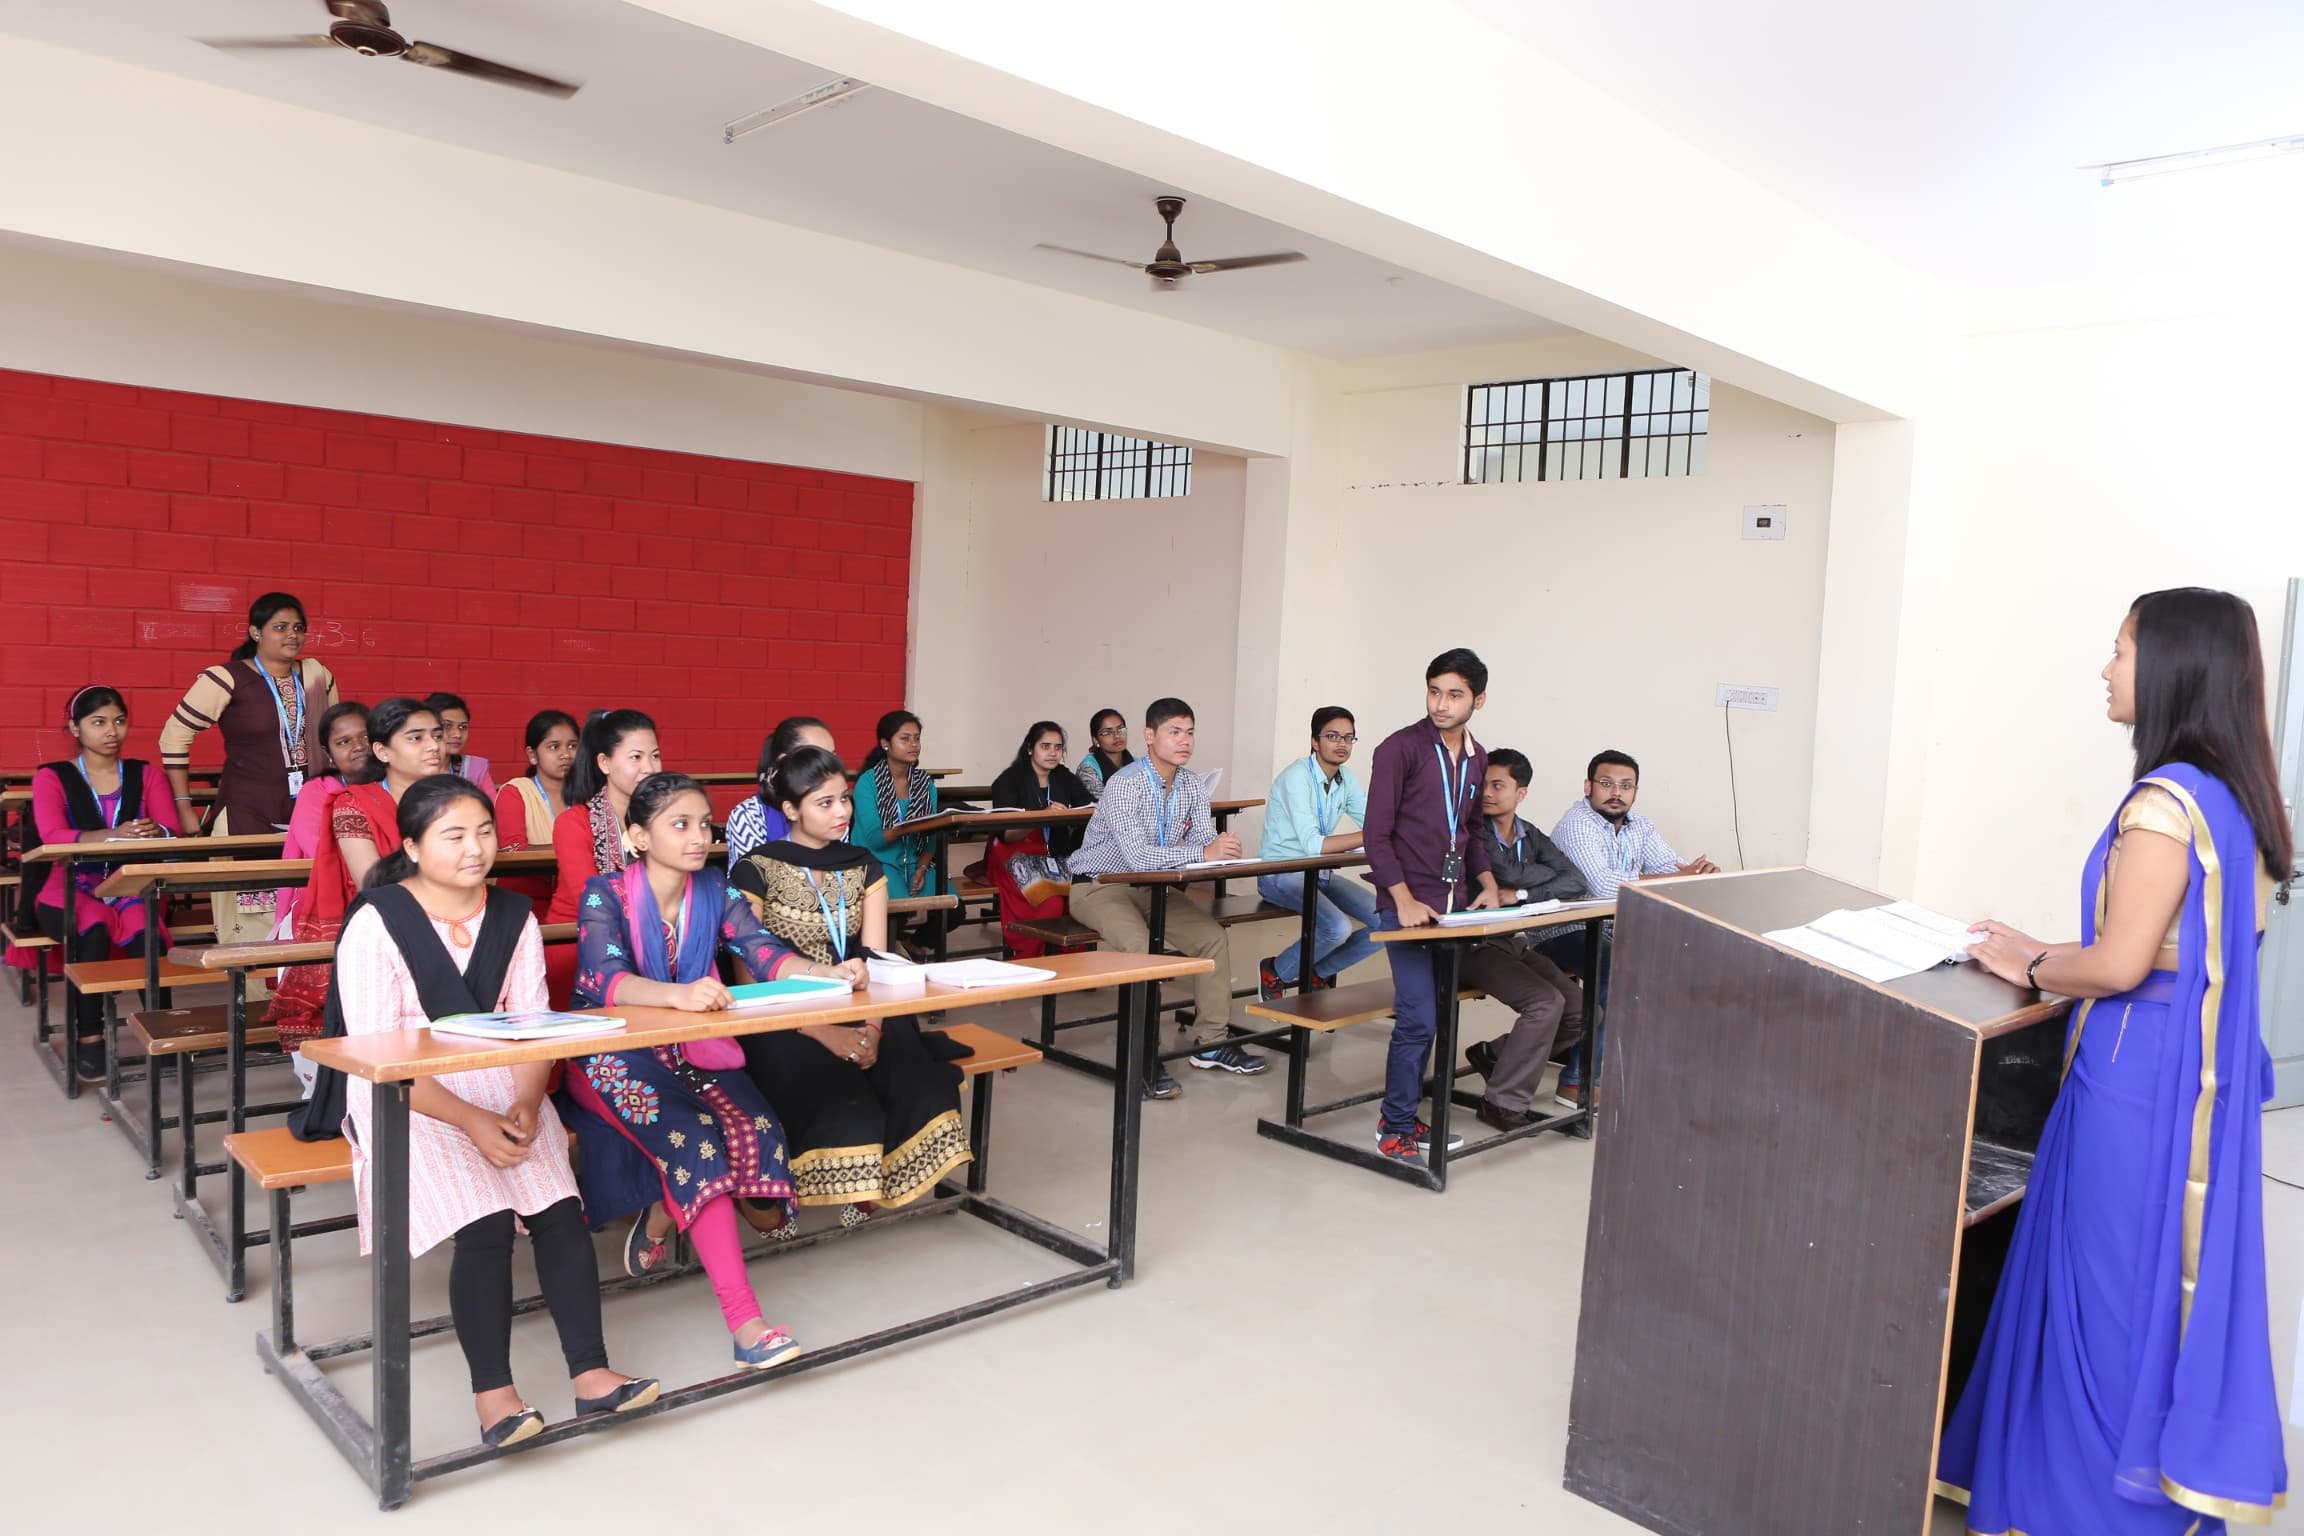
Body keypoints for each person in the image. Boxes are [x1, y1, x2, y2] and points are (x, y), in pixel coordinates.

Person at [1943, 587, 2291, 1535]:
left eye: (2122, 650)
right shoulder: (2239, 797)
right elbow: (2175, 952)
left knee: (2104, 1295)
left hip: (2135, 1079)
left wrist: (2032, 965)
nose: (2106, 670)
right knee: (2151, 1287)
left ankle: (2085, 1508)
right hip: (2192, 1067)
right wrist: (2039, 948)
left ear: (2172, 667)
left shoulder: (2164, 803)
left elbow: (2122, 964)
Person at [330, 775, 658, 1447]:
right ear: (413, 847)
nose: (475, 848)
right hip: (406, 1094)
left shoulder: (512, 915)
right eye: (453, 836)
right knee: (483, 1225)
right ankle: (494, 1397)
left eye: (483, 832)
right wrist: (472, 1120)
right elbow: (375, 1055)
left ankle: (591, 1375)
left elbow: (534, 1027)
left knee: (560, 1214)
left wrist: (527, 1103)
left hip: (502, 1082)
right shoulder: (376, 922)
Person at [559, 772, 854, 1371]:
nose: (699, 837)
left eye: (703, 824)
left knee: (754, 1127)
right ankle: (746, 1325)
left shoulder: (715, 889)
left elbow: (762, 951)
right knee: (695, 1140)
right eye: (680, 825)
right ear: (639, 837)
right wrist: (679, 995)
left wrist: (827, 973)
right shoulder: (604, 893)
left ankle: (663, 1213)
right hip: (608, 1057)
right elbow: (605, 979)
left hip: (692, 1048)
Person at [731, 746, 972, 1215]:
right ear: (790, 810)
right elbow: (749, 980)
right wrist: (823, 1031)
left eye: (844, 798)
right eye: (825, 803)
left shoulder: (863, 865)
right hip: (781, 1015)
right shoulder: (756, 869)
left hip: (859, 1002)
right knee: (837, 1094)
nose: (841, 811)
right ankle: (811, 1182)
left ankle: (880, 1177)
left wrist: (873, 1029)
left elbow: (877, 961)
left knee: (911, 1070)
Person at [1067, 697, 1264, 1099]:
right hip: (1100, 885)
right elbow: (1137, 857)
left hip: (1154, 887)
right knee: (1140, 947)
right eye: (1174, 732)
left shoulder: (1191, 784)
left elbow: (1202, 841)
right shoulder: (1125, 783)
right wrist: (1203, 852)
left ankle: (1210, 1042)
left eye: (1189, 732)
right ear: (1149, 735)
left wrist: (1222, 848)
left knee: (1211, 938)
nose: (1185, 741)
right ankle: (1142, 1054)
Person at [1363, 649, 1503, 1164]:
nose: (1441, 704)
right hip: (1405, 904)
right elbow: (1376, 836)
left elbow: (1471, 831)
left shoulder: (1477, 757)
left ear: (1478, 700)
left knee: (1438, 1015)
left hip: (1453, 907)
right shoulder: (1398, 749)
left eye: (1454, 695)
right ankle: (1394, 1127)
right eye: (1434, 691)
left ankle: (1405, 1113)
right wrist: (1401, 899)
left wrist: (1487, 883)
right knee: (1418, 1017)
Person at [158, 590, 341, 946]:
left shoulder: (318, 676)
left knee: (310, 912)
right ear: (256, 632)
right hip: (246, 814)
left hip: (308, 814)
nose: (292, 635)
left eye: (298, 627)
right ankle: (250, 983)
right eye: (280, 627)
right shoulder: (225, 678)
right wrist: (183, 806)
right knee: (248, 924)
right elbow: (173, 736)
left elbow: (335, 739)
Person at [1540, 750, 1718, 1107]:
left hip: (1611, 929)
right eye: (1606, 784)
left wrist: (1698, 875)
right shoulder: (1578, 824)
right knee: (1620, 971)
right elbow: (1603, 888)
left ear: (1635, 791)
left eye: (1626, 786)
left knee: (1682, 959)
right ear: (1588, 786)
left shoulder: (1641, 827)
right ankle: (1578, 1082)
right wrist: (1676, 878)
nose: (1616, 793)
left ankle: (1636, 1065)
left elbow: (1673, 869)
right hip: (1562, 930)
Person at [269, 698, 443, 1050]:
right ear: (384, 750)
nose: (433, 746)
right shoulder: (349, 802)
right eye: (417, 738)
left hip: (443, 917)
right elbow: (373, 883)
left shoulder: (452, 799)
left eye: (436, 736)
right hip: (375, 919)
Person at [28, 686, 182, 1079]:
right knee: (92, 930)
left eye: (119, 721)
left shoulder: (146, 774)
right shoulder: (52, 776)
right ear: (75, 728)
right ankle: (90, 1039)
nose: (111, 731)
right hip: (69, 888)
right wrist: (113, 836)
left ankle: (163, 1033)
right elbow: (51, 835)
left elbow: (172, 831)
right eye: (98, 722)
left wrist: (155, 831)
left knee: (147, 934)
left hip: (130, 885)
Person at [1459, 747, 1588, 1131]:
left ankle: (1496, 1056)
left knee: (1581, 1010)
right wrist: (1533, 876)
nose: (1487, 792)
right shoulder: (1471, 830)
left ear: (1521, 793)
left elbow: (1575, 881)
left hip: (1509, 941)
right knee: (1545, 1003)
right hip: (1470, 944)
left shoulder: (1529, 834)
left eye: (1498, 785)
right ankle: (1501, 1103)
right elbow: (1504, 871)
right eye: (1483, 784)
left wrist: (1521, 892)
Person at [1254, 706, 1377, 999]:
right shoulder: (1296, 777)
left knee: (1390, 921)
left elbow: (1374, 821)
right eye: (1332, 736)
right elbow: (1314, 845)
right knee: (1337, 928)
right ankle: (1276, 971)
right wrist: (1372, 836)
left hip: (1319, 872)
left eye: (1348, 737)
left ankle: (1318, 972)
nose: (1342, 743)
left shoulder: (1345, 778)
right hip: (1281, 873)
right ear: (1314, 741)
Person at [545, 709, 662, 1006]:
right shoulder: (574, 822)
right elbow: (589, 898)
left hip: (650, 941)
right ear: (604, 763)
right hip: (578, 943)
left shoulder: (661, 821)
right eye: (636, 757)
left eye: (655, 756)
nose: (649, 767)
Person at [986, 721, 1095, 958]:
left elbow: (1089, 806)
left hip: (1053, 854)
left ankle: (1069, 961)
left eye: (1058, 747)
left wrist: (1073, 813)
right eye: (1045, 746)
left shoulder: (1063, 777)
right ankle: (1030, 957)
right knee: (1051, 903)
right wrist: (1041, 816)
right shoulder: (1009, 779)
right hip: (1013, 854)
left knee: (1078, 896)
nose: (1053, 753)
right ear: (1030, 748)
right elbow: (1006, 835)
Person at [850, 709, 945, 955]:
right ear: (885, 744)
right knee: (896, 912)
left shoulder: (924, 783)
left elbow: (930, 837)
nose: (914, 744)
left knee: (954, 910)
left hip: (914, 862)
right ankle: (884, 952)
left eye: (917, 738)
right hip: (876, 862)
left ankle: (912, 943)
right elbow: (875, 839)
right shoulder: (868, 783)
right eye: (905, 738)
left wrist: (922, 866)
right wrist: (912, 827)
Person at [274, 701, 370, 935]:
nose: (358, 746)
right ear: (329, 753)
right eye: (344, 742)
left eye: (365, 737)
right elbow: (320, 850)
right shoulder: (316, 791)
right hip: (327, 892)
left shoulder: (393, 784)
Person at [723, 716, 835, 869]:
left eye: (832, 756)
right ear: (785, 761)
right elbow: (752, 879)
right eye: (815, 757)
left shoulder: (836, 810)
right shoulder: (749, 816)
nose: (829, 766)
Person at [493, 709, 579, 907]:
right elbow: (514, 850)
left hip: (576, 898)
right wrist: (574, 850)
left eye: (573, 746)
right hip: (524, 902)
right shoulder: (515, 792)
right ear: (532, 755)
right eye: (554, 747)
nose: (566, 754)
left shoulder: (587, 796)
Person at [425, 692, 496, 800]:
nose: (457, 734)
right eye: (447, 726)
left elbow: (492, 807)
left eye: (463, 727)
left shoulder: (474, 768)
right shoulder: (409, 769)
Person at [1076, 708, 1136, 801]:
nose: (1117, 735)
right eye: (1107, 732)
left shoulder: (1137, 763)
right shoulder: (1088, 769)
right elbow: (1106, 803)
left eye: (1120, 729)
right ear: (1095, 740)